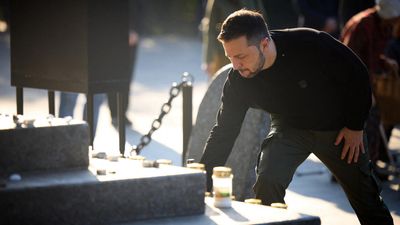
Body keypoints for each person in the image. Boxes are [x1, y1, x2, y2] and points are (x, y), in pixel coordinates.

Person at [199, 9, 393, 224]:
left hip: (339, 130)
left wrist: (355, 126)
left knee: (367, 199)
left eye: (241, 56)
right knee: (268, 181)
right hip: (289, 128)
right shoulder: (238, 79)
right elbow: (224, 130)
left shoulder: (310, 43)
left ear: (264, 43)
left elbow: (357, 74)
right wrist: (201, 180)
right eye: (230, 57)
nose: (235, 65)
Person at [341, 0, 400, 169]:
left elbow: (373, 56)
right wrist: (363, 90)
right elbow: (348, 61)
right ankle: (355, 168)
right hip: (350, 82)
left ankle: (369, 165)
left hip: (367, 80)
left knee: (376, 119)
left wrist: (385, 63)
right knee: (361, 122)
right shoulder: (363, 25)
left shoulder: (386, 25)